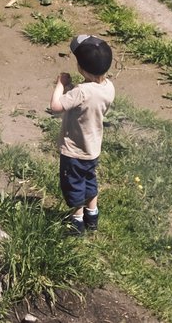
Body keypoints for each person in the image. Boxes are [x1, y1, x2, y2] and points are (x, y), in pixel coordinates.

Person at [50, 35, 116, 235]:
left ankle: (76, 221)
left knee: (74, 185)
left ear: (81, 67)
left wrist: (61, 85)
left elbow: (55, 107)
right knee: (89, 180)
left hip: (74, 151)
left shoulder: (80, 92)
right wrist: (73, 88)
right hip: (93, 148)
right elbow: (87, 99)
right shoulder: (108, 87)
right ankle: (92, 215)